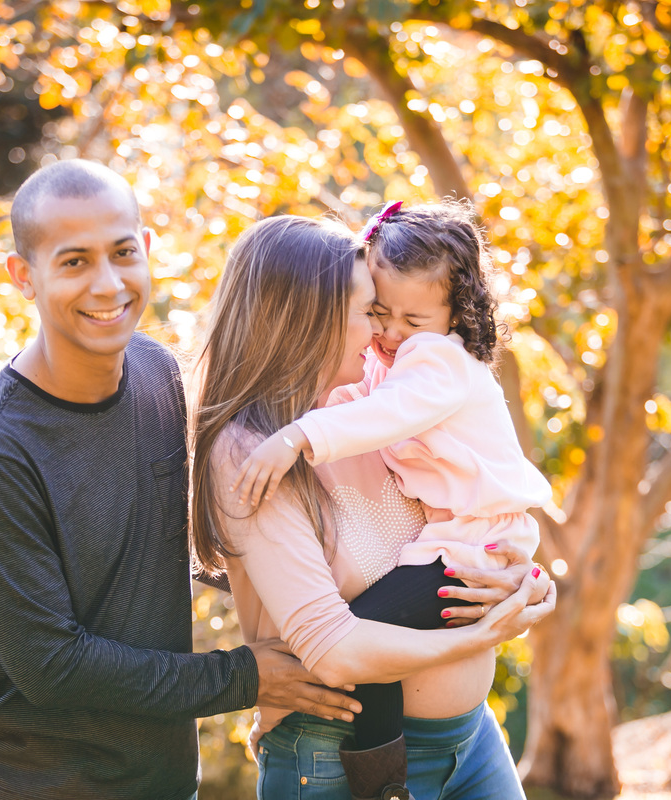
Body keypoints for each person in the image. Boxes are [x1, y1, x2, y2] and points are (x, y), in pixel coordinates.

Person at [0, 159, 360, 800]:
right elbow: (54, 667)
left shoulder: (160, 374)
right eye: (74, 262)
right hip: (24, 783)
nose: (108, 285)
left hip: (157, 778)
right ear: (23, 276)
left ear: (147, 249)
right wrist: (245, 678)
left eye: (122, 253)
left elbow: (184, 542)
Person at [191, 214, 557, 800]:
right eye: (372, 312)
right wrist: (489, 630)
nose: (383, 333)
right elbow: (337, 650)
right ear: (308, 320)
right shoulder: (253, 447)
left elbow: (469, 514)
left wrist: (528, 583)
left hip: (471, 741)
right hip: (333, 761)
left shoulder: (378, 408)